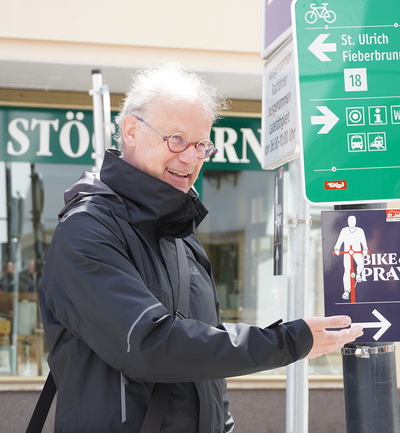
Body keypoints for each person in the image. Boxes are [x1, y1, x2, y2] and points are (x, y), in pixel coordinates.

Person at [38, 61, 364, 433]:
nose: (191, 158)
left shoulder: (179, 233)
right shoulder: (86, 229)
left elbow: (205, 359)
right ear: (131, 130)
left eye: (201, 146)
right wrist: (289, 341)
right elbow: (151, 345)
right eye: (176, 139)